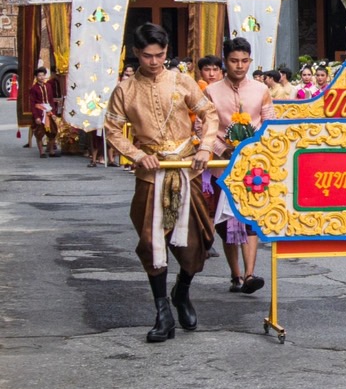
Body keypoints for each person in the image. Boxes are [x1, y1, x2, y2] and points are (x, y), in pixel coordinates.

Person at [102, 23, 220, 343]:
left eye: (160, 55)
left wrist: (206, 146)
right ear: (136, 53)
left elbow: (209, 114)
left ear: (166, 52)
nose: (154, 62)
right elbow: (112, 130)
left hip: (187, 171)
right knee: (152, 243)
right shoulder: (125, 90)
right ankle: (162, 311)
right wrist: (137, 154)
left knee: (200, 242)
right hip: (151, 175)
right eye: (147, 56)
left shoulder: (182, 81)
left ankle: (182, 291)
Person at [204, 37, 273, 295]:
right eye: (234, 61)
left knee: (250, 220)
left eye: (245, 61)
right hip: (221, 164)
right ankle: (235, 274)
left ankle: (250, 274)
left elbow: (269, 124)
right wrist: (224, 149)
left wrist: (257, 148)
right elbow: (204, 128)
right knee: (224, 223)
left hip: (253, 166)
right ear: (225, 61)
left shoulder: (260, 90)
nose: (240, 66)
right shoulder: (211, 91)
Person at [29, 67, 58, 158]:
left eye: (43, 75)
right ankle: (41, 152)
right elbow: (33, 103)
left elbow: (51, 101)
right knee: (39, 133)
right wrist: (36, 116)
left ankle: (51, 150)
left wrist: (53, 113)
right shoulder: (34, 89)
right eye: (39, 75)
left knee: (53, 132)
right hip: (39, 112)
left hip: (48, 111)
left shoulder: (48, 86)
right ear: (36, 77)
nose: (41, 77)